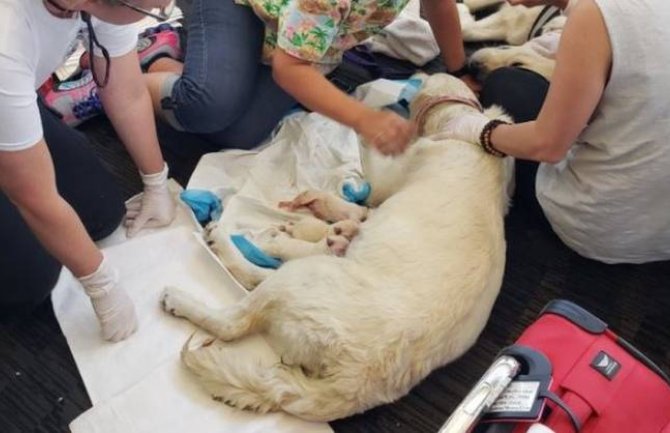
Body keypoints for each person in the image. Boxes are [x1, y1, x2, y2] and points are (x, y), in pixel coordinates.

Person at [0, 0, 177, 341]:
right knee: (30, 281)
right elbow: (34, 198)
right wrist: (101, 284)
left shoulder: (99, 4)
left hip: (15, 86)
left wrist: (157, 180)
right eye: (155, 8)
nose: (160, 9)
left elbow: (126, 91)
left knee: (102, 215)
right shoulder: (7, 39)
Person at [441, 0, 670, 264]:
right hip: (663, 235)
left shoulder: (594, 15)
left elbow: (547, 146)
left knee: (506, 85)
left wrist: (475, 129)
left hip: (603, 228)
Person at [143, 0, 470, 158]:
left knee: (241, 132)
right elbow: (290, 69)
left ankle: (204, 62)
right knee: (207, 107)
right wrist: (364, 119)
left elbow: (439, 5)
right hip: (236, 5)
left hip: (295, 29)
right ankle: (145, 67)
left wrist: (459, 71)